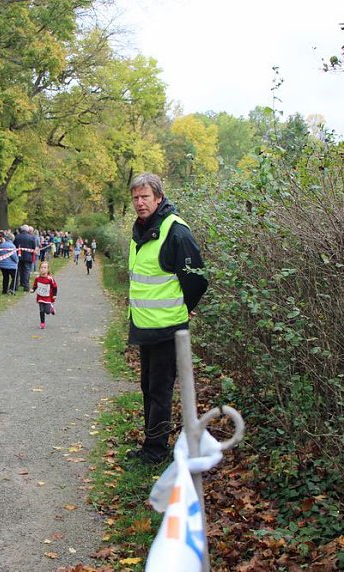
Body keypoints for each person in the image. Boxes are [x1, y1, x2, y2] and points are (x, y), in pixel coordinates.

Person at [126, 173, 208, 465]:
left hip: (168, 327)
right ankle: (152, 443)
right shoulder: (143, 229)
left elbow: (197, 279)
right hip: (146, 326)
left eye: (145, 196)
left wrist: (187, 306)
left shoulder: (176, 231)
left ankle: (156, 451)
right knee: (149, 388)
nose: (140, 202)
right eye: (136, 197)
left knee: (160, 391)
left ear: (158, 198)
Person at [30, 260, 57, 329]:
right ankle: (42, 323)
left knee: (47, 312)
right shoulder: (37, 278)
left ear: (48, 270)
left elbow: (55, 287)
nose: (43, 269)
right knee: (41, 310)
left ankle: (51, 308)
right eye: (41, 268)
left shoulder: (50, 279)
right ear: (39, 269)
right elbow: (35, 285)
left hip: (48, 297)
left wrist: (54, 295)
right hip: (40, 297)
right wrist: (33, 290)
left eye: (45, 268)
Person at [15, 225, 36, 292]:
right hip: (28, 256)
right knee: (27, 271)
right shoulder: (31, 237)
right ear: (27, 230)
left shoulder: (17, 237)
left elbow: (14, 246)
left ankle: (17, 285)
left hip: (19, 256)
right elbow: (33, 248)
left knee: (19, 270)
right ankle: (26, 286)